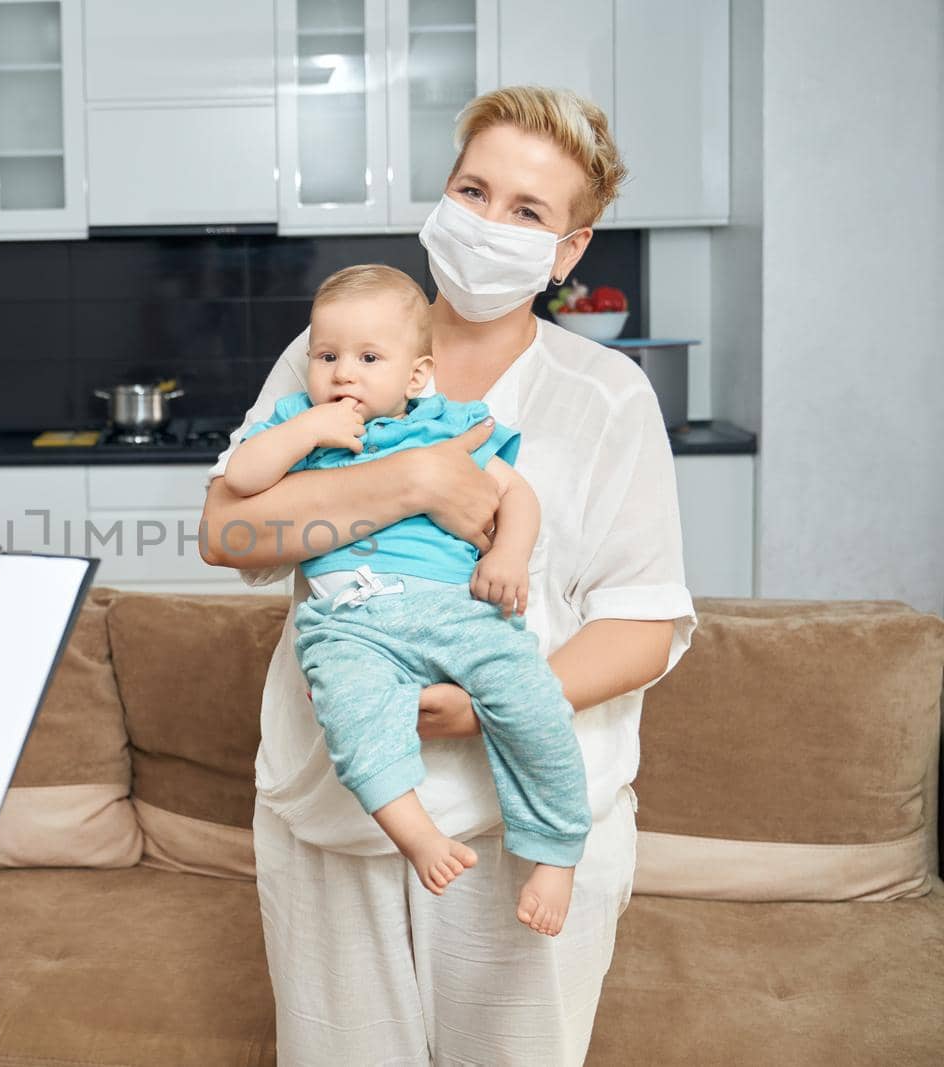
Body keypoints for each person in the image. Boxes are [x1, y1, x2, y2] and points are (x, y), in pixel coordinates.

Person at [201, 86, 696, 1064]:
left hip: (526, 830)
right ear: (440, 196)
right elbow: (230, 534)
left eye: (527, 211)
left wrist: (487, 704)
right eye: (473, 191)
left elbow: (643, 624)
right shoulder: (327, 355)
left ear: (568, 249)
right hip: (335, 813)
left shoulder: (603, 396)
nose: (487, 225)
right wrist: (416, 476)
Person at [222, 264, 590, 938]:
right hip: (348, 618)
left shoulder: (446, 428)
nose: (343, 375)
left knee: (533, 699)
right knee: (350, 709)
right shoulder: (297, 426)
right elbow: (240, 482)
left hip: (456, 609)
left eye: (368, 358)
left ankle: (556, 850)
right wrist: (307, 432)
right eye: (326, 357)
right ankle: (416, 834)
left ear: (416, 377)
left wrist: (507, 556)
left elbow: (517, 495)